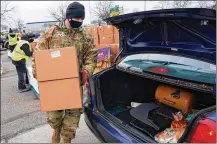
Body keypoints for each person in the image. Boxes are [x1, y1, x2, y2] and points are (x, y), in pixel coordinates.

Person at [31, 2, 98, 143]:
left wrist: (85, 73)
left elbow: (92, 57)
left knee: (72, 119)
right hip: (54, 85)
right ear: (68, 17)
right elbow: (38, 57)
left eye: (81, 19)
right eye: (76, 19)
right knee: (54, 118)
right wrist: (41, 77)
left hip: (75, 83)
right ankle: (56, 130)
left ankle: (66, 139)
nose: (79, 22)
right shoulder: (51, 34)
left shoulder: (85, 37)